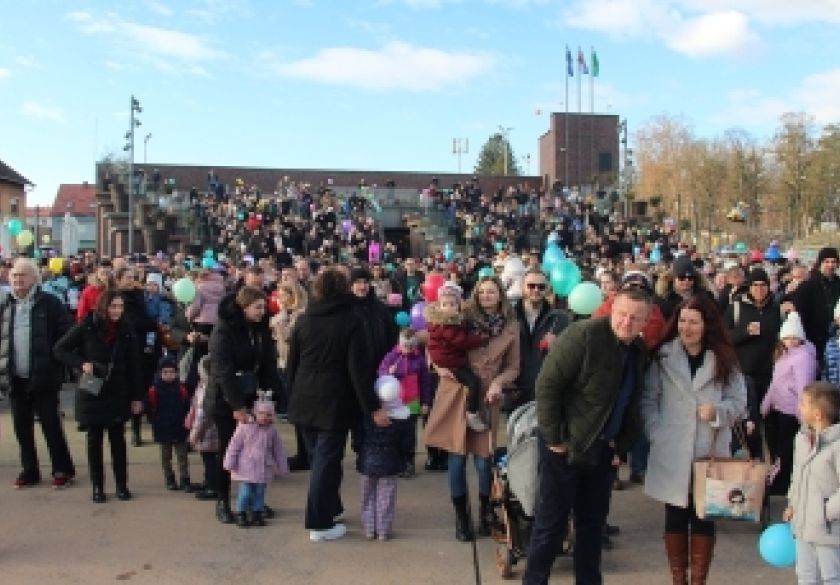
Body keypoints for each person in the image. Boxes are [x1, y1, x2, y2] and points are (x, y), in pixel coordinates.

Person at [522, 287, 651, 585]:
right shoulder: (584, 335)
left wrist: (623, 445)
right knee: (550, 526)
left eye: (635, 318)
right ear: (611, 309)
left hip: (603, 450)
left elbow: (632, 402)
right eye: (622, 314)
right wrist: (554, 437)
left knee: (592, 527)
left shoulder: (637, 352)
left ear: (646, 321)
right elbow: (547, 386)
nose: (627, 322)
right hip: (565, 446)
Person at [642, 294, 747, 585]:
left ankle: (699, 579)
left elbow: (739, 402)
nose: (686, 328)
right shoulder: (663, 357)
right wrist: (655, 433)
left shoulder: (725, 359)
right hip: (671, 447)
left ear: (707, 325)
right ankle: (679, 578)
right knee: (675, 514)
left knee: (704, 514)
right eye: (683, 321)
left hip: (709, 448)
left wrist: (717, 412)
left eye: (694, 322)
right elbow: (649, 399)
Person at [286, 268, 390, 542]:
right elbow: (358, 369)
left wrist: (290, 398)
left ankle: (329, 508)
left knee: (320, 460)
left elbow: (292, 365)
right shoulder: (350, 319)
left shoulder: (305, 320)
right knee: (326, 462)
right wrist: (372, 406)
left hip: (304, 398)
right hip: (333, 400)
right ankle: (319, 522)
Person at [425, 275, 520, 542]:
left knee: (482, 461)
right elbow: (432, 340)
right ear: (475, 295)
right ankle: (461, 517)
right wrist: (436, 365)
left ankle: (485, 511)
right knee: (456, 458)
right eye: (482, 292)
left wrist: (499, 383)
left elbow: (513, 367)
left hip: (487, 395)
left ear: (500, 295)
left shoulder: (511, 327)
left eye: (492, 292)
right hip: (456, 390)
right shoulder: (459, 315)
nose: (487, 296)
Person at [54, 290, 145, 503]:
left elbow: (134, 365)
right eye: (113, 306)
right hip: (92, 387)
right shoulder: (87, 325)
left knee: (118, 441)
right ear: (103, 307)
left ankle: (122, 485)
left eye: (120, 307)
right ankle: (98, 487)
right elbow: (60, 349)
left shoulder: (126, 329)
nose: (117, 311)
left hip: (117, 389)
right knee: (94, 441)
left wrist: (137, 396)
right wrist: (81, 363)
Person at [206, 286, 283, 524]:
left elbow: (268, 363)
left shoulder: (260, 329)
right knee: (229, 450)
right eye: (257, 308)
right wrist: (236, 405)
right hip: (225, 398)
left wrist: (273, 396)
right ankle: (222, 499)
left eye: (263, 307)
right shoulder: (224, 330)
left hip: (252, 395)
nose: (262, 311)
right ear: (244, 307)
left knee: (255, 452)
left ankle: (250, 499)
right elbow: (222, 370)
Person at [0, 258, 76, 489]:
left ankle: (62, 469)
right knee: (21, 428)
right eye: (14, 276)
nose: (18, 280)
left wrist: (55, 362)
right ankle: (29, 471)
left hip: (43, 375)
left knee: (51, 425)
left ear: (35, 278)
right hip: (15, 376)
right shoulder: (5, 304)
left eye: (23, 275)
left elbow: (66, 336)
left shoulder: (50, 303)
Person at [784, 381, 840, 585]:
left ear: (818, 413)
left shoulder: (837, 445)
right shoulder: (801, 438)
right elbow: (797, 475)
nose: (799, 407)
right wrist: (792, 503)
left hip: (829, 529)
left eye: (804, 403)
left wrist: (826, 512)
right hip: (801, 524)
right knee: (805, 575)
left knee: (831, 577)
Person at [723, 267, 781, 458]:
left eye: (763, 285)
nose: (759, 289)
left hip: (770, 375)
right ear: (749, 286)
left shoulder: (776, 308)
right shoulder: (737, 307)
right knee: (750, 423)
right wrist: (744, 333)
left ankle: (774, 469)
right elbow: (724, 337)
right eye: (755, 285)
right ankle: (753, 462)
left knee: (772, 423)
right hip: (744, 373)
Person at [760, 312, 817, 496]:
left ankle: (782, 483)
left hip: (792, 411)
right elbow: (775, 383)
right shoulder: (783, 355)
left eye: (794, 338)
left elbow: (803, 387)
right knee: (777, 448)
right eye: (787, 338)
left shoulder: (803, 358)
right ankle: (778, 478)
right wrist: (765, 405)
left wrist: (803, 414)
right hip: (778, 408)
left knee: (786, 450)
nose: (791, 341)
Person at [353, 376, 414, 540]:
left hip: (367, 462)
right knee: (386, 498)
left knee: (367, 496)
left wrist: (358, 451)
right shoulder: (402, 418)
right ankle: (383, 530)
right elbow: (407, 442)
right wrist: (404, 457)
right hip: (391, 462)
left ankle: (369, 528)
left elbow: (358, 438)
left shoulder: (367, 415)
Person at [425, 282, 488, 431]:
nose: (449, 308)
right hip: (450, 361)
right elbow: (462, 341)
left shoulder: (447, 322)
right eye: (445, 304)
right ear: (439, 306)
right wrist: (481, 339)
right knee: (473, 382)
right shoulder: (447, 324)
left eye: (452, 304)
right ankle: (472, 413)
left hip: (447, 358)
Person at [223, 391, 289, 528]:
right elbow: (234, 444)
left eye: (269, 415)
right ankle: (241, 513)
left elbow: (278, 450)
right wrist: (229, 461)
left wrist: (282, 466)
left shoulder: (272, 431)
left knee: (260, 492)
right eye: (261, 414)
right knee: (245, 491)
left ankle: (257, 513)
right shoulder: (245, 427)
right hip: (246, 467)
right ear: (255, 413)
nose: (265, 417)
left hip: (263, 468)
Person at [512, 269, 571, 412]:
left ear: (547, 289)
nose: (536, 290)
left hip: (546, 390)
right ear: (522, 286)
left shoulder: (560, 319)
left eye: (541, 287)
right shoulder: (509, 315)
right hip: (514, 389)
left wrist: (557, 344)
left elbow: (569, 355)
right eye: (531, 286)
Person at [377, 327, 431, 477]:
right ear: (399, 344)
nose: (408, 349)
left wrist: (425, 402)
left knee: (408, 435)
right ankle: (395, 461)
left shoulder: (419, 360)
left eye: (411, 346)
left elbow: (425, 382)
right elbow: (380, 374)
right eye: (405, 346)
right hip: (395, 403)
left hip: (412, 403)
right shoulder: (390, 357)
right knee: (393, 433)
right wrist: (389, 372)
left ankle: (408, 462)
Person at [145, 354, 192, 491]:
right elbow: (149, 407)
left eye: (172, 372)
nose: (169, 375)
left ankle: (184, 479)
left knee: (182, 456)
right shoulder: (154, 390)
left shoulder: (181, 390)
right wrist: (153, 420)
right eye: (165, 372)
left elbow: (187, 407)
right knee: (166, 457)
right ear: (159, 373)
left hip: (179, 427)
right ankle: (169, 478)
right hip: (162, 427)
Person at [795, 246, 840, 368]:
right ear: (820, 263)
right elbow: (800, 316)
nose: (830, 265)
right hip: (814, 343)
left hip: (836, 343)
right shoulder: (807, 287)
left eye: (834, 262)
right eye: (827, 261)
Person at [186, 355, 219, 500]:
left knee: (209, 459)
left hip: (207, 432)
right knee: (209, 459)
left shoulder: (205, 388)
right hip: (214, 430)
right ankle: (209, 482)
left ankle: (213, 486)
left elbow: (202, 414)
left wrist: (195, 434)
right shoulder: (211, 385)